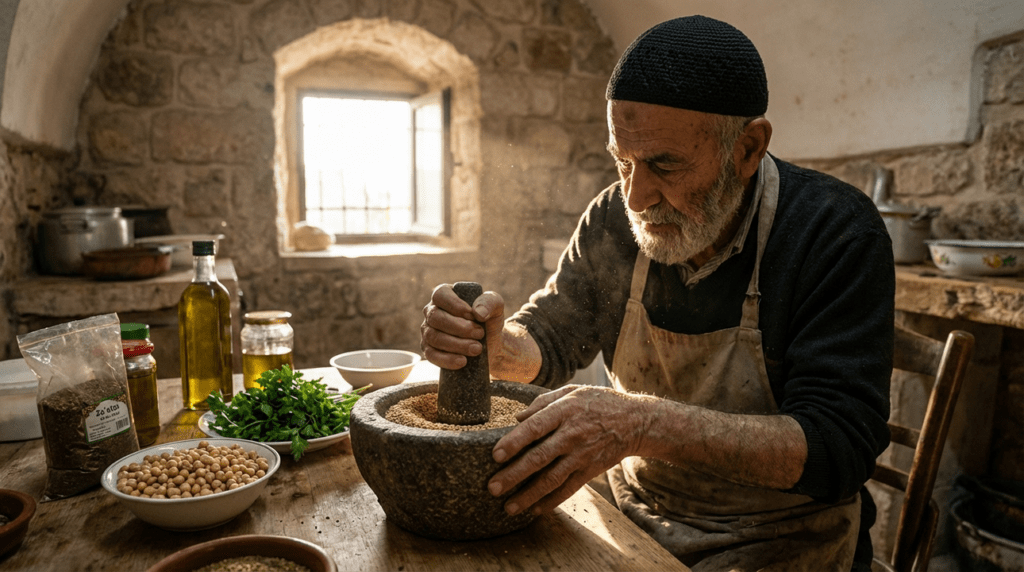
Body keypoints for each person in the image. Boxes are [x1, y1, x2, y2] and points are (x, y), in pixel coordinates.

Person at [421, 15, 893, 572]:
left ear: (748, 148)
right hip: (637, 507)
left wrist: (640, 423)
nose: (638, 196)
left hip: (779, 535)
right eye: (623, 161)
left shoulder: (833, 232)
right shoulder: (613, 218)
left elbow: (838, 446)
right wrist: (501, 349)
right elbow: (552, 336)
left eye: (665, 165)